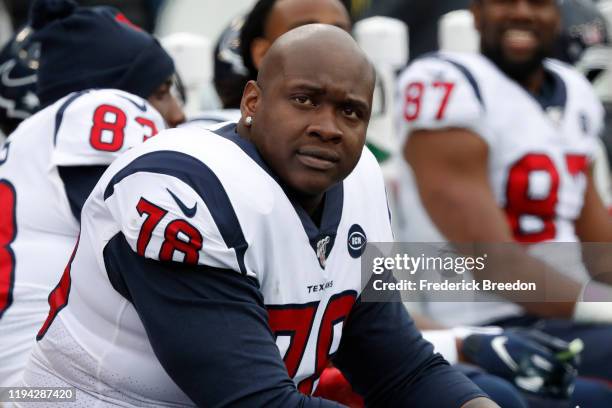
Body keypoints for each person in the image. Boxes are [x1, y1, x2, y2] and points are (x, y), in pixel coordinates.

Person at [20, 25, 497, 408]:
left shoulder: (358, 179)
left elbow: (399, 366)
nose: (328, 128)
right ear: (253, 101)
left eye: (350, 112)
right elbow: (253, 399)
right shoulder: (183, 190)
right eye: (305, 99)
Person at [397, 0, 612, 384]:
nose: (522, 12)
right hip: (489, 327)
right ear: (476, 12)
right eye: (505, 1)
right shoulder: (446, 81)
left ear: (557, 14)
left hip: (570, 316)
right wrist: (601, 306)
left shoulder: (574, 89)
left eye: (537, 2)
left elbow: (600, 249)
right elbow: (496, 264)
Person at [0, 0, 184, 387]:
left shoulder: (31, 144)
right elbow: (154, 251)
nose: (178, 112)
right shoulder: (105, 105)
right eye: (163, 90)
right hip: (39, 390)